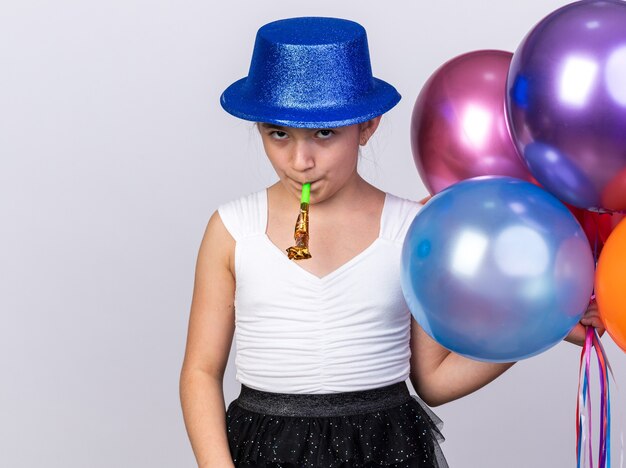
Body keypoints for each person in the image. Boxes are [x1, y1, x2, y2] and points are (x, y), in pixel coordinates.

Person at [179, 16, 604, 468]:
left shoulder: (411, 228)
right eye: (278, 133)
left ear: (368, 125)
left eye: (325, 134)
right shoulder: (232, 229)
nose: (300, 161)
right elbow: (201, 372)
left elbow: (434, 381)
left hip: (384, 446)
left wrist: (539, 324)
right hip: (264, 448)